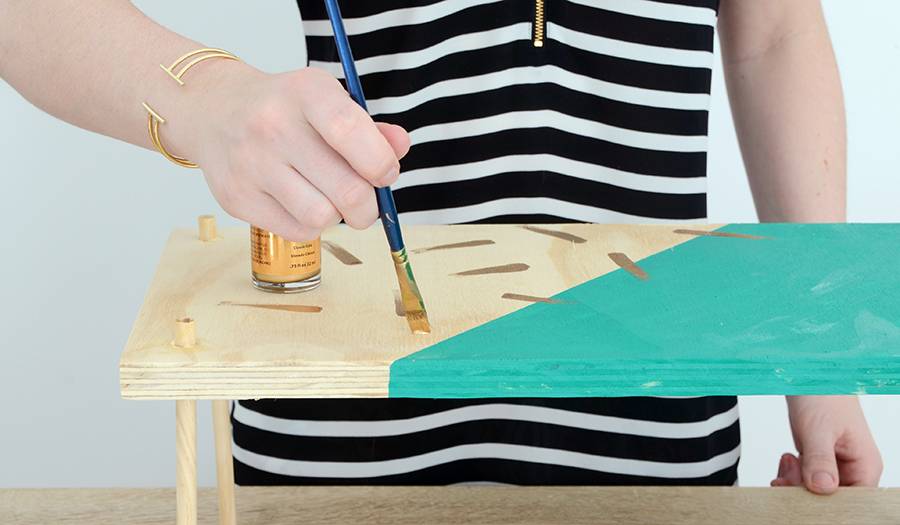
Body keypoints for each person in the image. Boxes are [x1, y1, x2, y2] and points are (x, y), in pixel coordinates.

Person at [0, 0, 882, 490]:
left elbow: (775, 34)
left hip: (648, 424)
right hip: (344, 436)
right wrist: (202, 98)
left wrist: (819, 341)